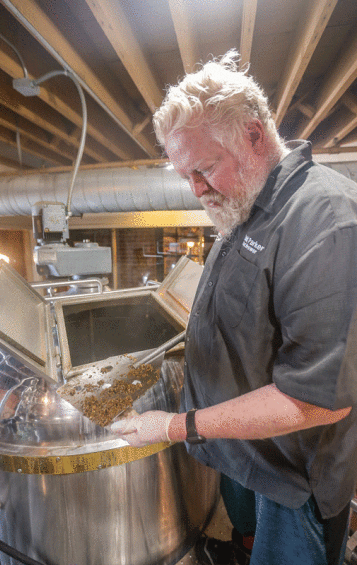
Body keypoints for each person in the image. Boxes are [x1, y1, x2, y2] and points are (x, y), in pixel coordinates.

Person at [110, 50, 357, 565]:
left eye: (204, 169)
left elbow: (317, 401)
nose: (196, 190)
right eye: (185, 176)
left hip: (290, 485)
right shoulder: (242, 205)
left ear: (253, 135)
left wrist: (176, 426)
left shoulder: (326, 223)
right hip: (241, 456)